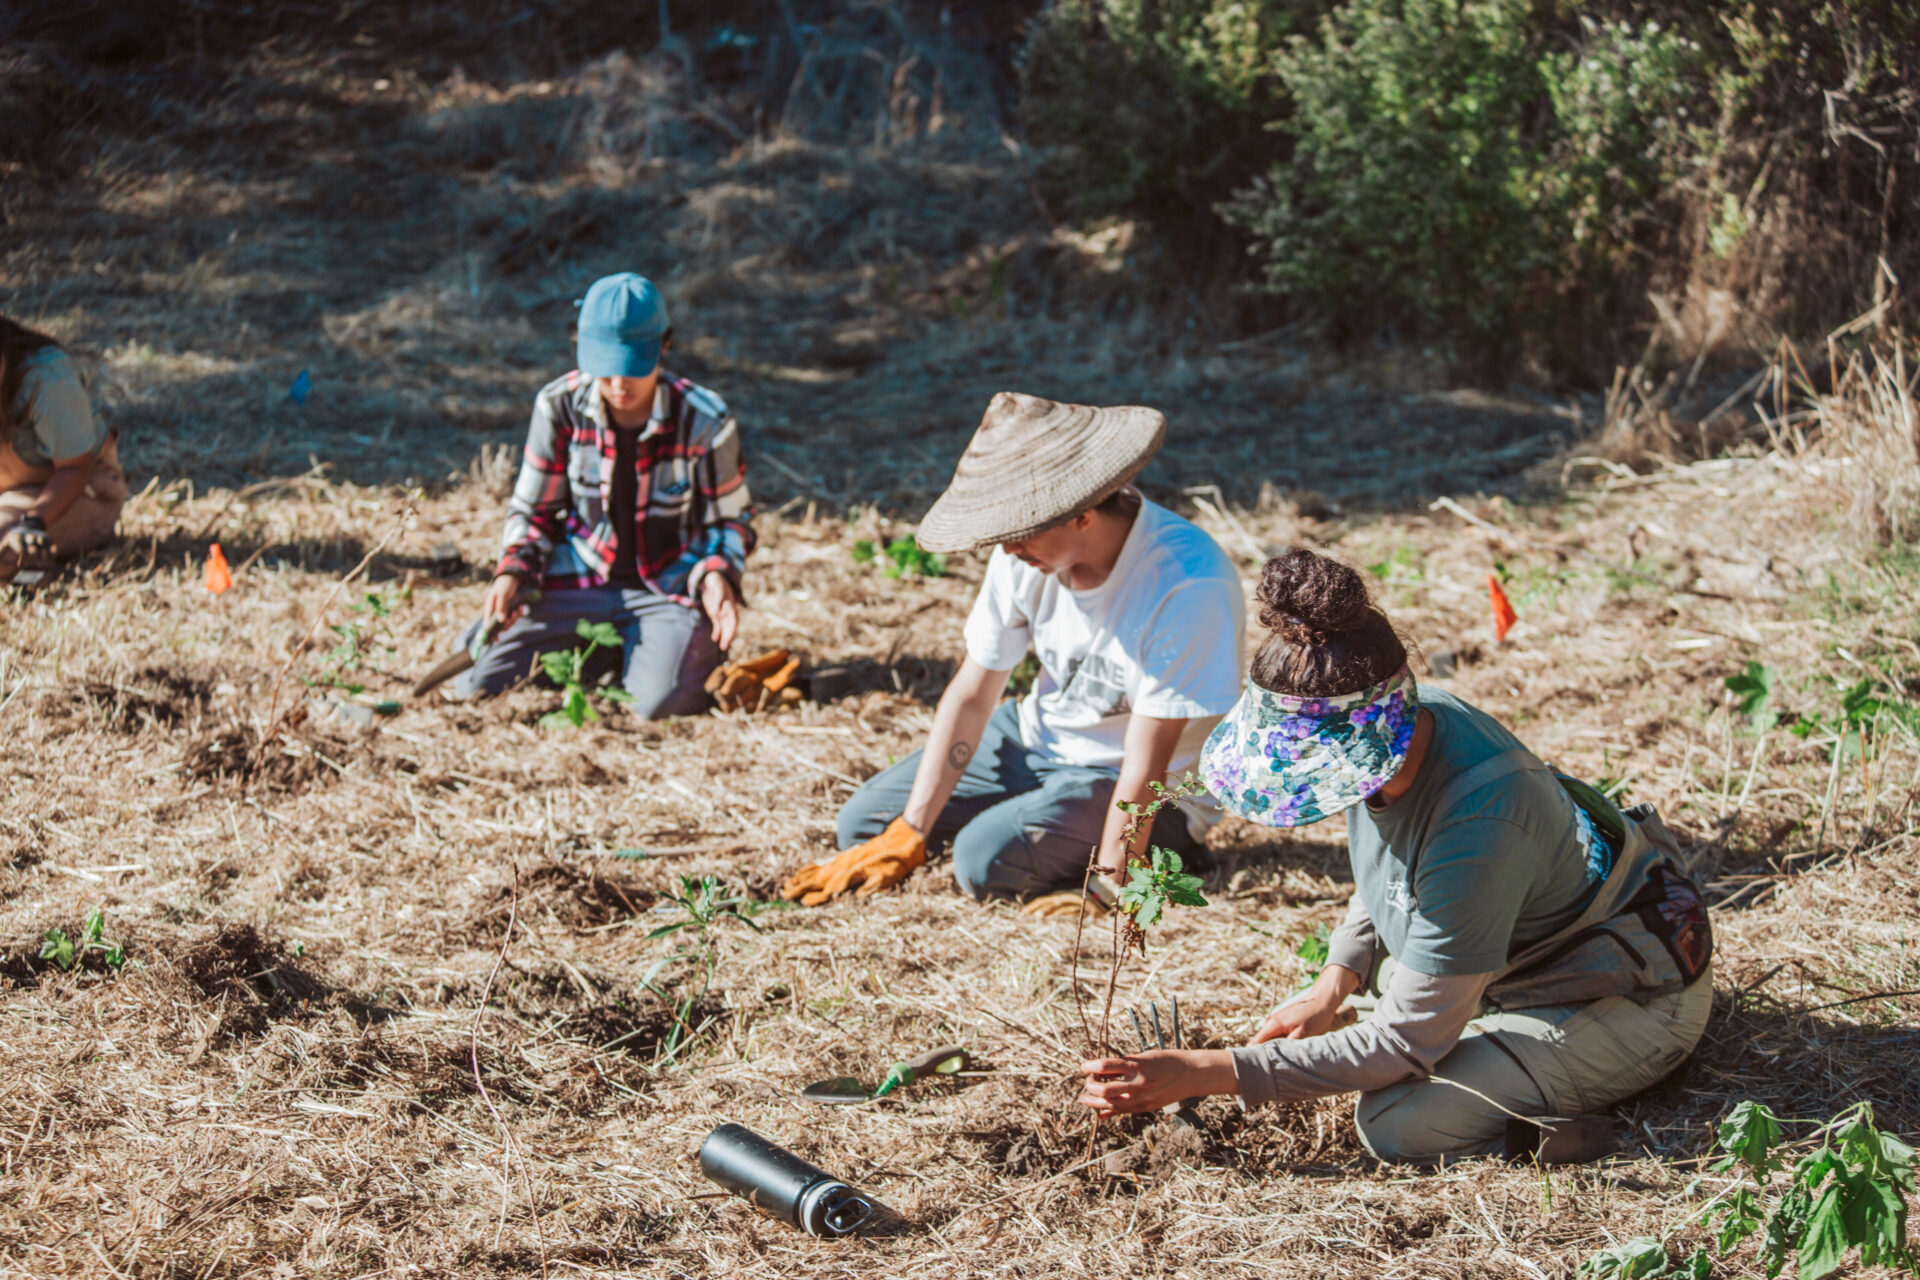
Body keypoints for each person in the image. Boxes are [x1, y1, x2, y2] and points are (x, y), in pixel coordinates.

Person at [1074, 549, 1715, 1164]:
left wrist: (1207, 1073)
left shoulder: (1480, 821)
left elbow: (1404, 1043)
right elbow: (1388, 871)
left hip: (1624, 997)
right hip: (1521, 962)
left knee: (1397, 1120)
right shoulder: (1391, 724)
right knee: (1377, 998)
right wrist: (1335, 981)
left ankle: (1572, 1109)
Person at [781, 391, 1246, 908]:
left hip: (1131, 783)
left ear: (1083, 512)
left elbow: (1146, 763)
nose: (1005, 549)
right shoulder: (1027, 555)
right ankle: (1023, 822)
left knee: (983, 863)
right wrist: (910, 830)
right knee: (863, 826)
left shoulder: (1186, 583)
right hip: (1037, 740)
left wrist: (1115, 884)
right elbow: (974, 693)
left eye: (1019, 531)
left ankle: (1158, 850)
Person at [453, 273, 753, 718]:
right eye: (605, 366)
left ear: (664, 346)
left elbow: (730, 522)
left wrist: (717, 575)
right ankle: (611, 651)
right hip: (577, 576)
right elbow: (533, 511)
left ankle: (644, 653)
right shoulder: (558, 406)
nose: (618, 384)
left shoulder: (705, 418)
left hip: (666, 587)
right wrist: (513, 571)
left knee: (658, 703)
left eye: (632, 366)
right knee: (475, 679)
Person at [0, 316, 129, 582]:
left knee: (6, 547)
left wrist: (33, 524)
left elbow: (74, 468)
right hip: (8, 496)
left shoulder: (47, 379)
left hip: (80, 491)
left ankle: (32, 574)